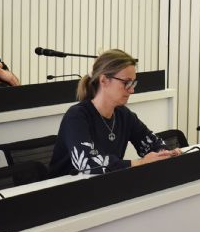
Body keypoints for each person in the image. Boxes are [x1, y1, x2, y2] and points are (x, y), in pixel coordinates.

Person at [48, 49, 179, 177]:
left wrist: (164, 153)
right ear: (104, 80)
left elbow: (152, 143)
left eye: (133, 83)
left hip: (102, 186)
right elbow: (86, 163)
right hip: (64, 191)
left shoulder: (123, 115)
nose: (132, 90)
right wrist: (140, 163)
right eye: (126, 83)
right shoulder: (76, 116)